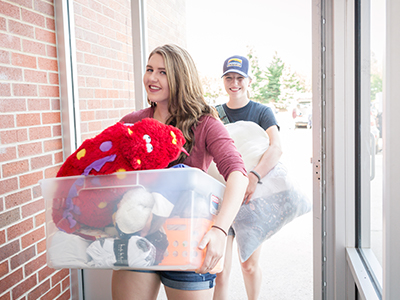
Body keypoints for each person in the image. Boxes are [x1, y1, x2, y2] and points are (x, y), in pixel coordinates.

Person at [111, 44, 248, 300]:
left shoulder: (205, 123)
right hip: (138, 234)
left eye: (162, 72)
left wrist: (219, 230)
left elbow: (238, 174)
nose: (152, 78)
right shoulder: (131, 123)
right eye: (150, 69)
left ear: (180, 77)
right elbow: (108, 169)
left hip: (187, 237)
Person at [213, 55, 283, 300]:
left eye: (240, 77)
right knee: (219, 270)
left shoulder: (262, 112)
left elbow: (276, 148)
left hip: (251, 199)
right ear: (223, 81)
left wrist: (254, 176)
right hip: (222, 199)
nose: (234, 83)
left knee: (249, 265)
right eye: (229, 77)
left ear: (249, 80)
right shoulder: (214, 114)